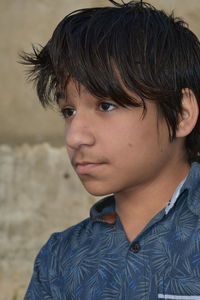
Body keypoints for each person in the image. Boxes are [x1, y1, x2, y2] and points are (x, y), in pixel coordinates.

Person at [21, 0, 200, 299]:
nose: (75, 137)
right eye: (68, 111)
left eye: (106, 105)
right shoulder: (59, 260)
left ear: (181, 114)